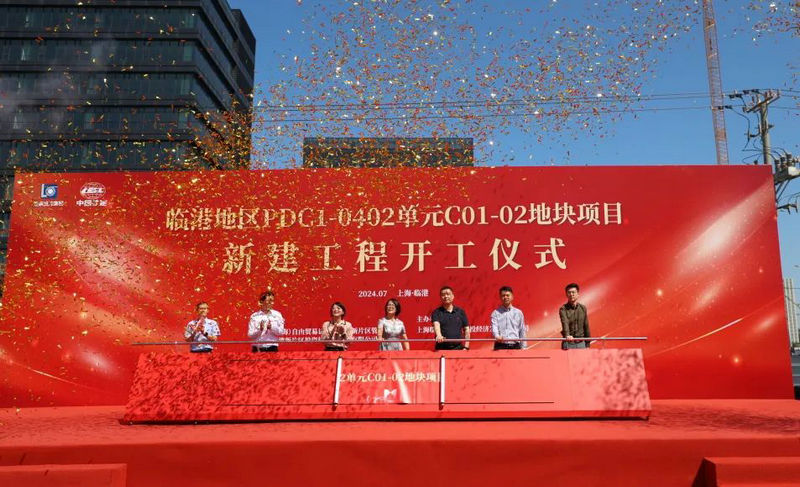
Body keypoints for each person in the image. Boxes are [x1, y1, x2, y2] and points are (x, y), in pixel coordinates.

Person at [432, 286, 470, 350]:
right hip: (441, 348)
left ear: (453, 296)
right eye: (443, 295)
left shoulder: (460, 312)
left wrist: (466, 347)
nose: (446, 296)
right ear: (440, 297)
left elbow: (466, 329)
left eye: (448, 294)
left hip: (458, 348)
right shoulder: (436, 312)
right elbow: (436, 325)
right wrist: (439, 335)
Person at [490, 286, 527, 350]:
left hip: (515, 346)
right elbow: (494, 328)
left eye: (507, 295)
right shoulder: (495, 313)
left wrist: (524, 348)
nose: (505, 297)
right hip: (500, 345)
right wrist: (497, 336)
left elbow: (522, 331)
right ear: (500, 297)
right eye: (503, 295)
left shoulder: (518, 313)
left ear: (512, 297)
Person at [559, 283, 591, 349]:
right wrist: (567, 335)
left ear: (578, 294)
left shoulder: (583, 308)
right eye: (569, 292)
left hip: (581, 343)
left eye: (573, 292)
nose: (571, 294)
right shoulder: (563, 309)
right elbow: (564, 323)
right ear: (566, 294)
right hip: (568, 342)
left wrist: (587, 343)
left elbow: (586, 326)